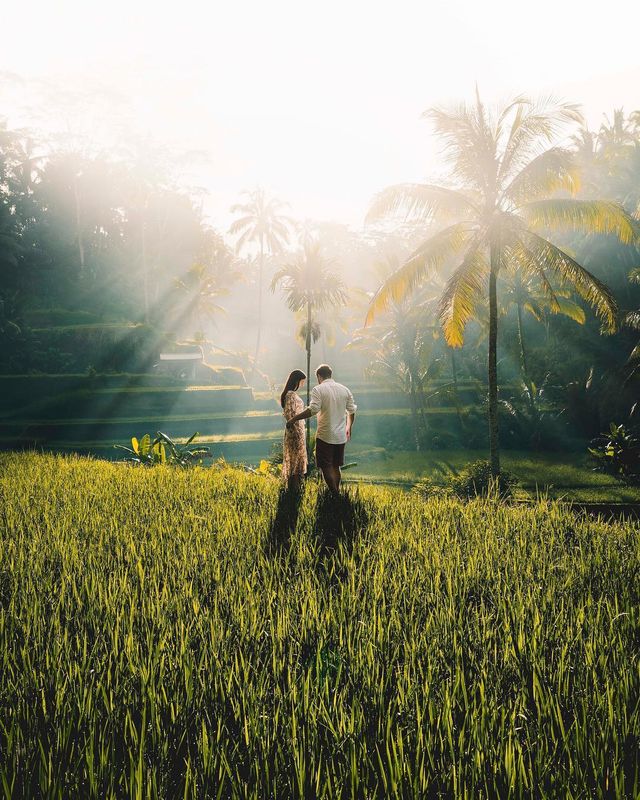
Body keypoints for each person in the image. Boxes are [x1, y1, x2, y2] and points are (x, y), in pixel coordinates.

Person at [286, 364, 356, 493]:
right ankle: (337, 492)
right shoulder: (344, 389)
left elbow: (313, 410)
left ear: (319, 376)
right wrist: (348, 427)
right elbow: (351, 411)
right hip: (340, 436)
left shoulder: (318, 389)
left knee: (326, 466)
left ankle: (334, 494)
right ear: (330, 374)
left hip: (325, 435)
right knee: (336, 466)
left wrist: (294, 418)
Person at [280, 369, 307, 491]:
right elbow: (289, 415)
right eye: (301, 382)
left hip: (296, 431)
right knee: (295, 462)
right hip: (295, 432)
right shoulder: (290, 395)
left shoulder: (289, 394)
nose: (302, 385)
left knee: (294, 461)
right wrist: (296, 431)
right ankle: (294, 490)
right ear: (296, 381)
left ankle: (293, 489)